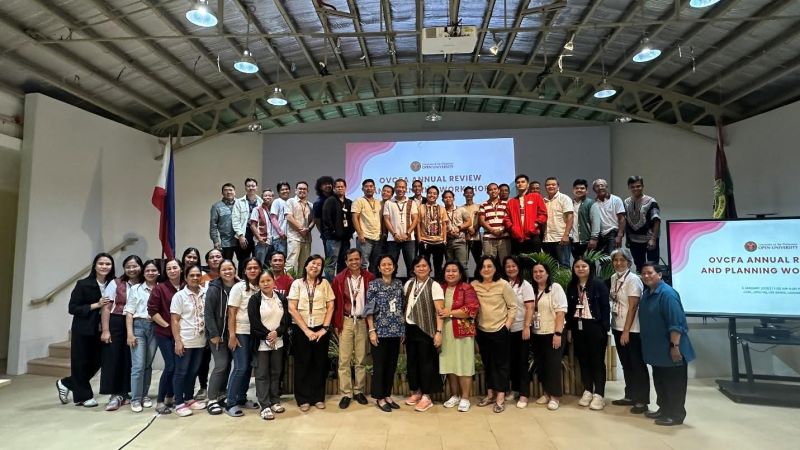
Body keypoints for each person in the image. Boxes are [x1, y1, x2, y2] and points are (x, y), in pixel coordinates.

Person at [639, 263, 695, 426]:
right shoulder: (647, 293)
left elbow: (676, 323)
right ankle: (664, 409)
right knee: (661, 381)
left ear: (659, 274)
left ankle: (676, 415)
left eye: (650, 273)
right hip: (657, 351)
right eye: (643, 273)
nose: (646, 276)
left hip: (671, 349)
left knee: (674, 384)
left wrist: (674, 347)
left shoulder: (668, 294)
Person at [56, 253, 115, 408]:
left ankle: (67, 383)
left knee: (98, 361)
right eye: (101, 263)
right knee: (80, 362)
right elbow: (73, 308)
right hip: (84, 328)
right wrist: (96, 305)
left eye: (108, 264)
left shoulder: (114, 283)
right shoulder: (83, 284)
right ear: (95, 266)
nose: (104, 266)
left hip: (103, 329)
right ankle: (84, 397)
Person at [287, 255, 336, 411]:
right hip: (301, 329)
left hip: (321, 329)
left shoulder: (325, 284)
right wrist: (307, 331)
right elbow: (291, 308)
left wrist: (324, 328)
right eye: (313, 263)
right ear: (306, 265)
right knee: (302, 363)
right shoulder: (297, 284)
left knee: (320, 363)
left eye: (319, 264)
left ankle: (318, 397)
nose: (316, 266)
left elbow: (331, 306)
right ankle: (303, 399)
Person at [472, 256, 516, 413]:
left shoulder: (503, 284)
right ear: (479, 269)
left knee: (501, 365)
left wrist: (507, 326)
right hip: (482, 330)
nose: (486, 269)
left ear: (495, 268)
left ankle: (500, 397)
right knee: (488, 363)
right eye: (483, 266)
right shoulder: (474, 285)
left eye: (489, 266)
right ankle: (490, 394)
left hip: (500, 330)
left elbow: (513, 306)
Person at [332, 249, 375, 408]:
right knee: (344, 360)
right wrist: (337, 324)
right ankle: (346, 393)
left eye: (357, 259)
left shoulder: (369, 277)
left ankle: (358, 391)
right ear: (346, 262)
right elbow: (335, 304)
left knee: (361, 358)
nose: (354, 262)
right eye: (351, 260)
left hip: (363, 321)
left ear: (361, 259)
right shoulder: (339, 279)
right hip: (346, 321)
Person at [566, 256, 611, 411]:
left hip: (595, 326)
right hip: (578, 327)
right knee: (583, 360)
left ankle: (599, 394)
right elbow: (570, 309)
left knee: (597, 361)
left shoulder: (599, 284)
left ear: (590, 268)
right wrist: (569, 328)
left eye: (584, 266)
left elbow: (605, 307)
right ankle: (588, 390)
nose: (580, 269)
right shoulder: (572, 285)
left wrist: (604, 328)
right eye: (577, 266)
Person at [608, 248, 649, 414]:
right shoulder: (613, 278)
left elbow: (633, 307)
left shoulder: (633, 280)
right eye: (616, 260)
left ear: (629, 262)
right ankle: (630, 395)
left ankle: (642, 400)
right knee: (626, 364)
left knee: (637, 364)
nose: (618, 263)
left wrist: (626, 331)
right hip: (617, 326)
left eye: (622, 260)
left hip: (632, 330)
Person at [99, 255, 141, 411]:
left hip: (136, 322)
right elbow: (106, 307)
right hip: (116, 322)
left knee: (130, 359)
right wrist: (105, 330)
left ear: (140, 267)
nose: (131, 269)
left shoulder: (145, 283)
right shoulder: (115, 283)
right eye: (128, 267)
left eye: (134, 266)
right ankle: (115, 394)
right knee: (113, 358)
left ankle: (127, 392)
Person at [403, 256, 444, 412]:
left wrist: (438, 332)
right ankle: (417, 392)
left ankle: (427, 396)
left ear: (430, 268)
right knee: (412, 362)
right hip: (410, 328)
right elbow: (405, 306)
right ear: (413, 269)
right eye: (418, 266)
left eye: (424, 266)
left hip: (427, 330)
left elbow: (439, 311)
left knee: (427, 363)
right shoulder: (409, 284)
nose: (421, 268)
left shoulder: (435, 286)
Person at [247, 270, 290, 420]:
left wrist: (277, 333)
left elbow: (286, 320)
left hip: (278, 341)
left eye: (268, 280)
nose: (266, 284)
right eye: (262, 281)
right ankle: (264, 405)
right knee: (262, 374)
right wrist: (268, 335)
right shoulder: (254, 300)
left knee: (276, 372)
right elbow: (254, 323)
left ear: (273, 281)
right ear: (258, 284)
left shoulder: (281, 298)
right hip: (261, 343)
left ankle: (275, 401)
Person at [364, 255, 405, 412]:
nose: (387, 267)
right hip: (380, 331)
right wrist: (371, 330)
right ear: (379, 268)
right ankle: (379, 397)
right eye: (384, 264)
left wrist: (402, 329)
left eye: (390, 264)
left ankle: (387, 394)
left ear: (394, 267)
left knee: (391, 365)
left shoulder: (399, 284)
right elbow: (369, 310)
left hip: (396, 331)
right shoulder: (374, 285)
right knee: (379, 366)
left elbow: (401, 307)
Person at [438, 261, 479, 412]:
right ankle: (454, 395)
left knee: (464, 364)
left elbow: (472, 309)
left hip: (463, 332)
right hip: (445, 332)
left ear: (460, 273)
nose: (451, 273)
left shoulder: (466, 288)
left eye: (454, 270)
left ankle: (465, 398)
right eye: (448, 270)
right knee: (450, 364)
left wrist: (449, 313)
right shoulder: (440, 288)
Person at [170, 264, 209, 417]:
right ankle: (179, 402)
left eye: (198, 275)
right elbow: (174, 320)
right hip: (185, 340)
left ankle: (189, 398)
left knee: (193, 371)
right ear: (185, 278)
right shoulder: (179, 296)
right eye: (191, 275)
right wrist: (178, 341)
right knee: (181, 372)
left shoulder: (205, 293)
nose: (195, 278)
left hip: (200, 340)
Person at [225, 257, 262, 416]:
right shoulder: (238, 287)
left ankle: (241, 398)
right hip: (240, 332)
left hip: (255, 333)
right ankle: (230, 403)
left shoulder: (260, 287)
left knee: (248, 368)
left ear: (260, 269)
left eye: (255, 267)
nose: (253, 270)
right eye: (249, 268)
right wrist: (232, 335)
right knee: (240, 367)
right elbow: (231, 312)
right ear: (244, 271)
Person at [146, 259, 182, 413]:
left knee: (179, 367)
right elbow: (152, 311)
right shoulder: (160, 288)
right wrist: (168, 326)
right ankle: (160, 401)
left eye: (175, 267)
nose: (172, 271)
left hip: (182, 334)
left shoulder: (186, 286)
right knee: (170, 366)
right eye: (168, 269)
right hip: (165, 333)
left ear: (181, 269)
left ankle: (170, 396)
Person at [530, 262, 567, 411]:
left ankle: (555, 397)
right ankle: (546, 393)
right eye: (535, 272)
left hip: (553, 332)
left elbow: (560, 312)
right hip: (537, 333)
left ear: (547, 273)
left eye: (541, 271)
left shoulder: (555, 288)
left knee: (553, 365)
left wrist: (558, 333)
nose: (538, 274)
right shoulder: (532, 290)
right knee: (542, 365)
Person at [125, 259, 159, 412]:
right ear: (143, 273)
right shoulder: (136, 289)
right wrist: (130, 333)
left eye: (153, 270)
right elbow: (129, 312)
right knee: (138, 366)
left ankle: (144, 395)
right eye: (147, 271)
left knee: (147, 365)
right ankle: (135, 398)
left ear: (158, 272)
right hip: (138, 327)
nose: (151, 273)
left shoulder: (161, 288)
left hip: (155, 328)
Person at [502, 256, 536, 408]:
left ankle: (524, 394)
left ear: (518, 267)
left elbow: (530, 307)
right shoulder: (503, 284)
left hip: (522, 328)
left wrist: (527, 326)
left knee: (522, 362)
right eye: (508, 266)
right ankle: (515, 390)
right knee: (511, 361)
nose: (511, 269)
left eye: (513, 265)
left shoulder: (525, 285)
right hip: (506, 329)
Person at [204, 259, 237, 415]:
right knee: (221, 365)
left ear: (235, 269)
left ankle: (222, 394)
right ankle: (211, 399)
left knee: (228, 365)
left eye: (230, 268)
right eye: (224, 269)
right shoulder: (214, 288)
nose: (227, 272)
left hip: (234, 333)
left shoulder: (239, 286)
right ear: (219, 272)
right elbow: (208, 313)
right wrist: (214, 334)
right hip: (218, 334)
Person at [504, 174, 547, 255]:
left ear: (527, 184)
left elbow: (543, 214)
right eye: (518, 182)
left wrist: (535, 224)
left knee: (534, 261)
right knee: (519, 261)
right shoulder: (511, 201)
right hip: (516, 238)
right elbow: (506, 218)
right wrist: (512, 228)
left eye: (523, 182)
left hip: (533, 236)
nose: (520, 184)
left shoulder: (536, 197)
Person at [624, 176, 662, 269]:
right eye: (632, 187)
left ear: (642, 186)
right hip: (634, 240)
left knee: (653, 267)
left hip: (649, 239)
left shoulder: (651, 201)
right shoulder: (626, 202)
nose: (635, 189)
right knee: (639, 266)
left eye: (638, 186)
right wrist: (627, 239)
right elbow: (626, 221)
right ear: (629, 187)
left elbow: (656, 221)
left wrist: (653, 239)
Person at [384, 179, 419, 277]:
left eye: (403, 187)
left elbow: (415, 219)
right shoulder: (388, 203)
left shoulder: (411, 202)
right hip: (393, 239)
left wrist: (407, 233)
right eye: (398, 187)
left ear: (406, 189)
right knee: (391, 265)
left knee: (411, 265)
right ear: (395, 188)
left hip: (409, 239)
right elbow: (386, 219)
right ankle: (391, 285)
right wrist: (394, 234)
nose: (400, 189)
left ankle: (411, 285)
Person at [321, 178, 354, 280]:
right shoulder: (330, 201)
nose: (340, 188)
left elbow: (352, 219)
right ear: (334, 188)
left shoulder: (349, 202)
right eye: (338, 187)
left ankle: (340, 284)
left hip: (345, 238)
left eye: (342, 187)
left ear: (345, 188)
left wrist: (350, 232)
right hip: (333, 238)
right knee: (331, 263)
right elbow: (326, 218)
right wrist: (333, 231)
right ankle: (330, 285)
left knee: (343, 262)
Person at [542, 177, 574, 267]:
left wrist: (566, 235)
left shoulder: (564, 198)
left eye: (553, 184)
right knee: (551, 267)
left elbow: (570, 217)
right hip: (547, 239)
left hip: (561, 239)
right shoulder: (543, 201)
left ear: (558, 186)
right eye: (548, 185)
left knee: (564, 266)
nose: (550, 186)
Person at [352, 179, 382, 274]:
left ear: (375, 189)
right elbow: (354, 217)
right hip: (365, 238)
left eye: (371, 186)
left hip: (377, 238)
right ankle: (362, 283)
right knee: (363, 264)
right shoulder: (358, 201)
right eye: (366, 186)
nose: (369, 188)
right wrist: (360, 233)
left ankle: (374, 283)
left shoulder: (379, 202)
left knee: (375, 265)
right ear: (362, 189)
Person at [417, 185, 448, 280]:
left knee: (438, 266)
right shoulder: (421, 207)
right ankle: (424, 283)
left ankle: (438, 284)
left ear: (437, 196)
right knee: (424, 265)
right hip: (425, 241)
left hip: (439, 242)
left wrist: (444, 240)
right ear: (426, 194)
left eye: (434, 193)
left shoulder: (442, 208)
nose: (432, 195)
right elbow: (418, 224)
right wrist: (419, 239)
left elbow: (444, 225)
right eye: (430, 193)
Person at [285, 181, 314, 276]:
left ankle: (301, 283)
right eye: (300, 188)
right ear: (295, 190)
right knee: (291, 263)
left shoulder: (311, 205)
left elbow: (314, 220)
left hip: (306, 238)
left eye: (304, 189)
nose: (302, 190)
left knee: (305, 264)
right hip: (294, 237)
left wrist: (308, 229)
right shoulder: (290, 201)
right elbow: (289, 217)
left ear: (308, 191)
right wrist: (301, 229)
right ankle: (288, 284)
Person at [232, 178, 263, 262]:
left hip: (258, 232)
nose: (251, 188)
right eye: (248, 186)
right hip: (245, 232)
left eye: (253, 186)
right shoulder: (239, 202)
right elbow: (235, 220)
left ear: (256, 187)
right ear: (245, 188)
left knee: (258, 260)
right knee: (243, 261)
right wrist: (241, 236)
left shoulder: (261, 201)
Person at [479, 183, 510, 262]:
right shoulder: (483, 205)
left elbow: (508, 220)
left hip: (504, 237)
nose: (493, 191)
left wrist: (501, 230)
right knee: (489, 263)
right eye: (490, 190)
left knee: (505, 262)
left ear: (498, 190)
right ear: (487, 192)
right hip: (488, 239)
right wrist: (493, 231)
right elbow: (482, 221)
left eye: (495, 189)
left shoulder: (506, 204)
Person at [592, 179, 626, 254]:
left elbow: (622, 218)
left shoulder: (616, 200)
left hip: (613, 233)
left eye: (602, 185)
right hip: (600, 235)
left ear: (606, 187)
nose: (600, 187)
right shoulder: (594, 203)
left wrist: (619, 236)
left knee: (611, 257)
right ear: (594, 189)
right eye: (597, 186)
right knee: (602, 258)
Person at [571, 179, 601, 259]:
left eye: (582, 188)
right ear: (573, 190)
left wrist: (594, 238)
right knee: (577, 263)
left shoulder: (591, 203)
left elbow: (596, 222)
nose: (579, 190)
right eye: (577, 188)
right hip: (573, 241)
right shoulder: (570, 203)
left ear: (587, 191)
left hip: (587, 241)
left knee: (589, 264)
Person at [443, 190, 471, 270]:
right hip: (447, 242)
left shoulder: (461, 209)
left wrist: (459, 228)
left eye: (450, 197)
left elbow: (469, 222)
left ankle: (465, 279)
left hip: (460, 241)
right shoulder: (442, 211)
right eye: (446, 197)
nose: (448, 199)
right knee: (449, 267)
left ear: (454, 198)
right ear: (442, 200)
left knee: (462, 266)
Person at [210, 183, 238, 260]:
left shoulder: (240, 204)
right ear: (222, 193)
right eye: (225, 190)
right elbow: (213, 225)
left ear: (234, 192)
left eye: (230, 190)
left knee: (243, 262)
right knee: (226, 263)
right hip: (226, 242)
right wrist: (216, 241)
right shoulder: (216, 206)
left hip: (240, 240)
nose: (228, 192)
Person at [250, 189, 274, 266]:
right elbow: (252, 225)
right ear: (262, 197)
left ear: (272, 197)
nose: (268, 197)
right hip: (261, 242)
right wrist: (259, 238)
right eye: (265, 195)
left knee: (268, 266)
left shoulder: (273, 210)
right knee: (259, 265)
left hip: (271, 242)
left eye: (270, 196)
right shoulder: (257, 209)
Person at [461, 186, 482, 270]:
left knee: (479, 262)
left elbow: (481, 221)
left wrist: (474, 230)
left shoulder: (479, 207)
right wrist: (467, 232)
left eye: (470, 193)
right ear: (464, 194)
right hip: (465, 239)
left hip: (476, 238)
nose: (468, 194)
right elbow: (460, 222)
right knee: (463, 263)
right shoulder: (460, 208)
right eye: (467, 193)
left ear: (473, 194)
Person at [270, 181, 291, 256]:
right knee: (280, 259)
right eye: (282, 190)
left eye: (287, 189)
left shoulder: (290, 202)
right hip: (279, 238)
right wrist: (280, 233)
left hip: (289, 238)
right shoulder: (277, 201)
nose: (285, 191)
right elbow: (273, 218)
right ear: (279, 192)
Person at [313, 176, 334, 244]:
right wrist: (323, 233)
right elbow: (317, 221)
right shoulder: (318, 202)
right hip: (328, 236)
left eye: (329, 183)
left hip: (341, 235)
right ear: (320, 187)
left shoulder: (336, 198)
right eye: (325, 184)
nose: (328, 185)